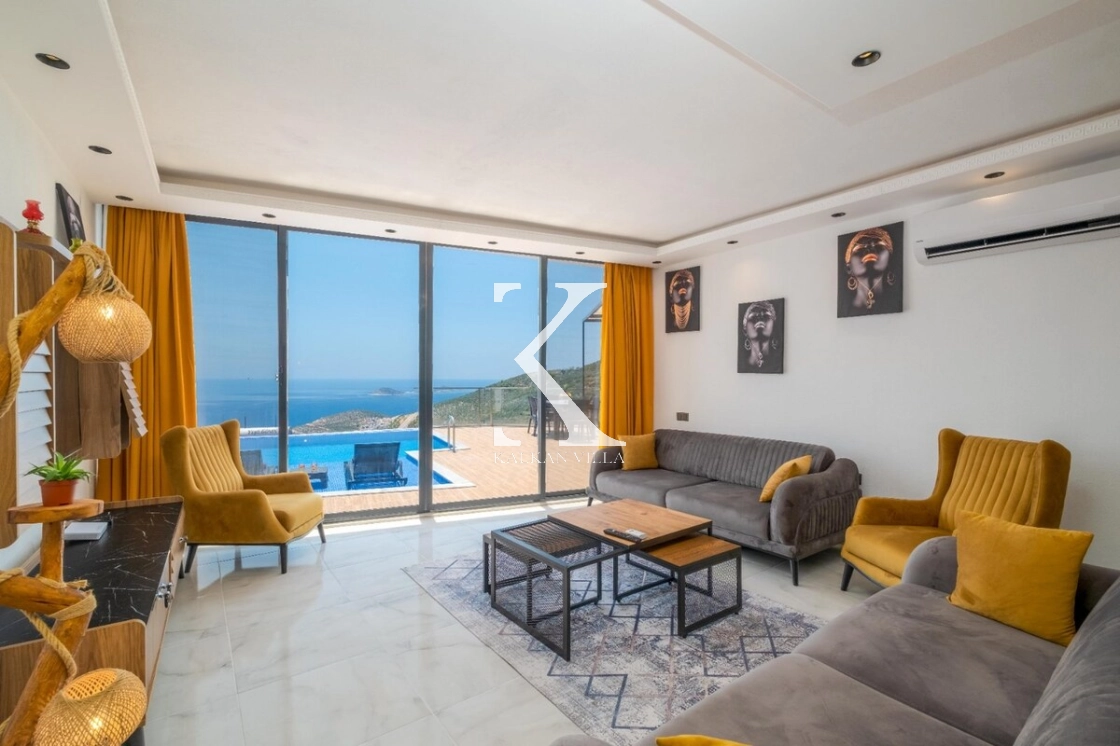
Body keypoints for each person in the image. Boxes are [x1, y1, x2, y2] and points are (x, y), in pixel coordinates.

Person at [841, 226, 898, 315]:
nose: (870, 249)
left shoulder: (894, 304)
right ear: (849, 268)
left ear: (889, 261)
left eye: (879, 245)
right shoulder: (845, 310)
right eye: (859, 248)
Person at [740, 300, 782, 373]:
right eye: (753, 317)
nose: (759, 319)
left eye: (766, 316)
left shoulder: (778, 364)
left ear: (774, 328)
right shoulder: (742, 365)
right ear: (745, 330)